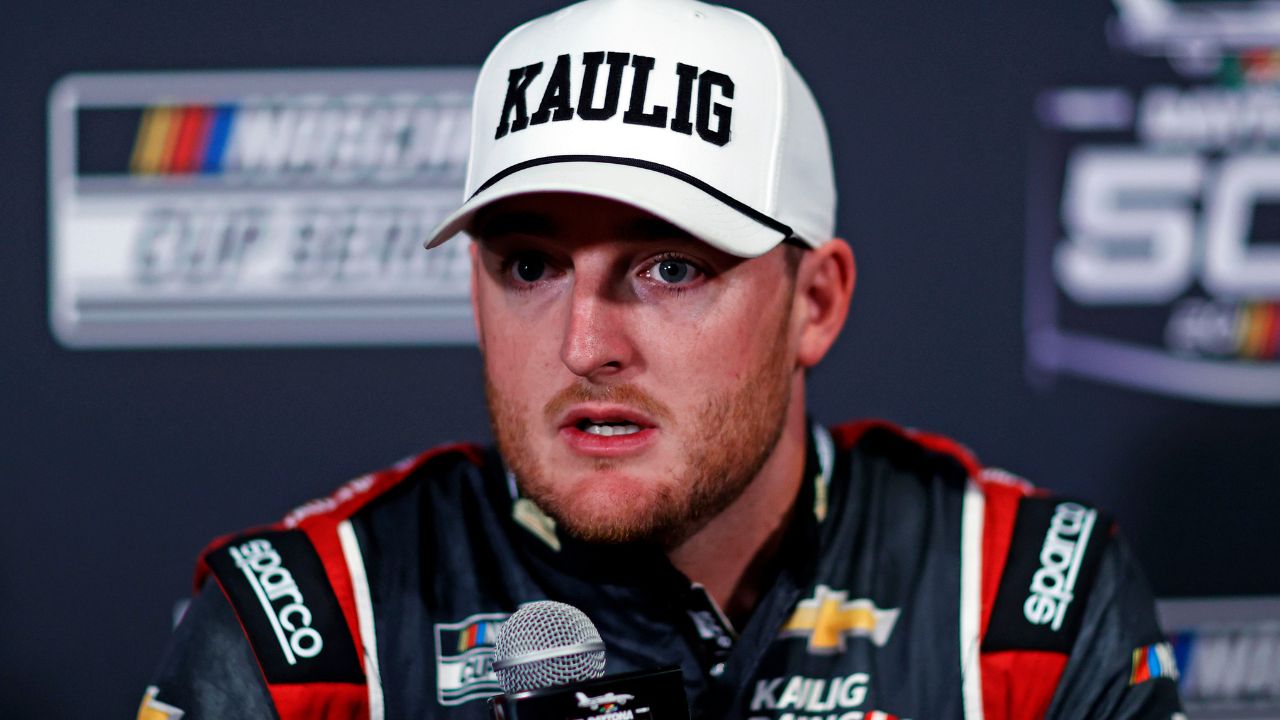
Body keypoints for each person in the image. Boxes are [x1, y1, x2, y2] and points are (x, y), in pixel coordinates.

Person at [139, 0, 1186, 718]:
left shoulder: (1019, 606)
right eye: (530, 263)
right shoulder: (311, 634)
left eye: (670, 268)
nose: (585, 344)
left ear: (813, 303)